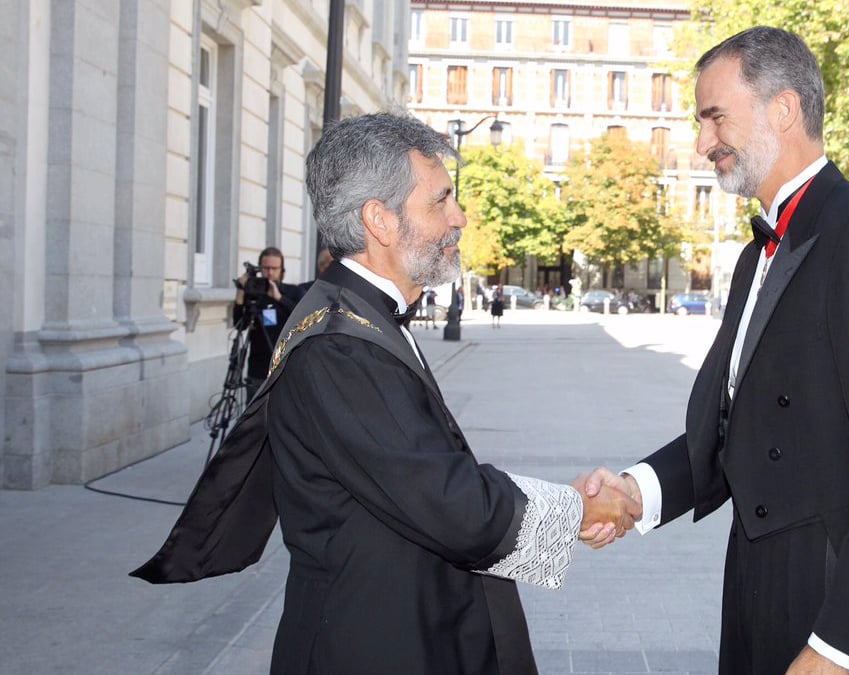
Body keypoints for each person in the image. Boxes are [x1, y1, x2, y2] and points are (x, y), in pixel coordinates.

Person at [131, 113, 639, 674]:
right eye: (440, 201)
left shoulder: (361, 320)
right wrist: (575, 507)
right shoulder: (340, 350)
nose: (459, 217)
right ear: (380, 220)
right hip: (369, 643)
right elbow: (450, 502)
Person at [583, 27, 849, 675]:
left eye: (715, 117)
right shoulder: (757, 257)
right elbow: (739, 432)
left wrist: (839, 648)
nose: (702, 143)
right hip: (757, 593)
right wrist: (636, 492)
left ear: (783, 110)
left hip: (838, 610)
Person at [232, 246, 304, 394]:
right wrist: (240, 291)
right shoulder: (253, 293)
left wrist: (279, 298)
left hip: (285, 367)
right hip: (258, 368)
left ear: (281, 270)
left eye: (274, 268)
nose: (270, 273)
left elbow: (303, 317)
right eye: (266, 268)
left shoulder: (293, 292)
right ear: (260, 269)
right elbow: (239, 324)